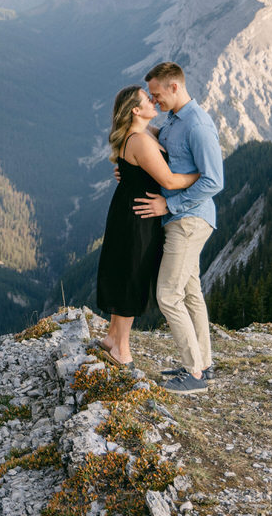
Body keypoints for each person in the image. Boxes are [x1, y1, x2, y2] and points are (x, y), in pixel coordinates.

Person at [132, 61, 224, 394]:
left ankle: (194, 376)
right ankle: (203, 364)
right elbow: (160, 146)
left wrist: (169, 204)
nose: (155, 102)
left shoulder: (198, 125)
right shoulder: (174, 120)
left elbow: (214, 180)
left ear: (175, 87)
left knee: (168, 295)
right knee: (189, 292)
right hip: (183, 218)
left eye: (157, 95)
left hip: (189, 220)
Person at [96, 85, 199, 368]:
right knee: (132, 277)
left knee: (126, 272)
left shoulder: (146, 133)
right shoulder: (140, 139)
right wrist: (202, 175)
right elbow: (168, 181)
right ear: (135, 110)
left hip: (132, 211)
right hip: (138, 216)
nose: (153, 101)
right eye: (147, 99)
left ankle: (112, 338)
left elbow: (133, 168)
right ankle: (121, 350)